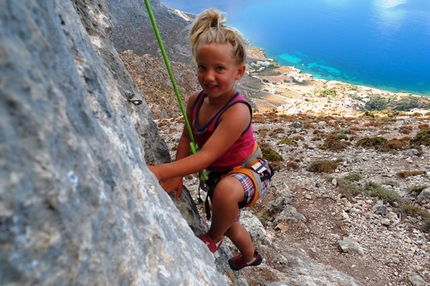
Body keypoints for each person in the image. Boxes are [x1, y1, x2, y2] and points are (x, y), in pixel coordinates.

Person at [148, 8, 273, 271]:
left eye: (219, 69)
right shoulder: (195, 101)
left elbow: (206, 157)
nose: (209, 76)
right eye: (202, 68)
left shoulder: (237, 111)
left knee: (225, 198)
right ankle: (250, 257)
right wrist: (177, 174)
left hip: (252, 170)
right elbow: (186, 138)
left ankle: (212, 239)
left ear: (239, 72)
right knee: (229, 223)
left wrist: (158, 171)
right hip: (224, 175)